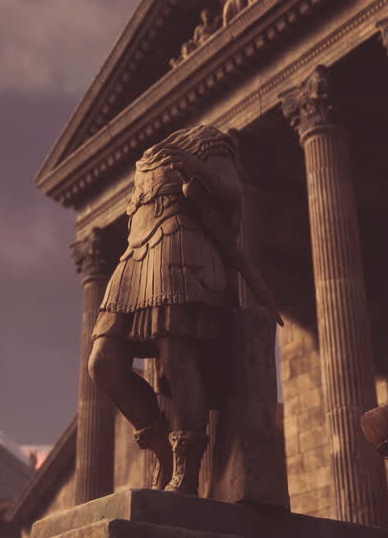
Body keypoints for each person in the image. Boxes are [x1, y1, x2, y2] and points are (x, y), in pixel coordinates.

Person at [87, 125, 278, 495]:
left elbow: (232, 193)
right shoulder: (143, 161)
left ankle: (186, 470)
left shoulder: (205, 138)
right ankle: (160, 446)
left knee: (178, 359)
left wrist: (195, 166)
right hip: (136, 257)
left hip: (180, 247)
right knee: (103, 362)